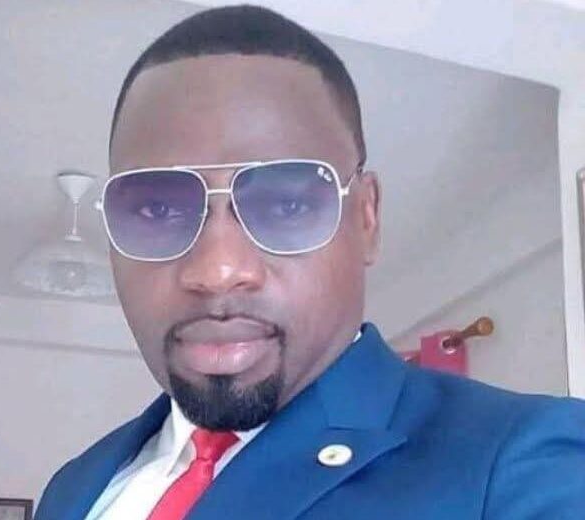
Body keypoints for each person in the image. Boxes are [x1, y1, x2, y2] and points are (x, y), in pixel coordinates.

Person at [35, 5, 585, 519]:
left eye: (287, 204)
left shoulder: (521, 465)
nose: (217, 270)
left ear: (366, 218)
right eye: (156, 209)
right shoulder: (74, 487)